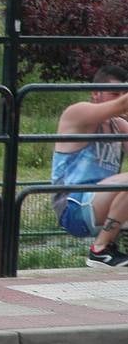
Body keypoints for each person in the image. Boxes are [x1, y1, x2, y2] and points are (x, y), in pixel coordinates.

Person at [52, 64, 128, 268]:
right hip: (73, 205)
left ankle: (106, 246)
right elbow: (121, 106)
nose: (120, 98)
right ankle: (100, 249)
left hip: (103, 203)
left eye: (123, 93)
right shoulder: (77, 113)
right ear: (95, 93)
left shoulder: (118, 126)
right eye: (114, 93)